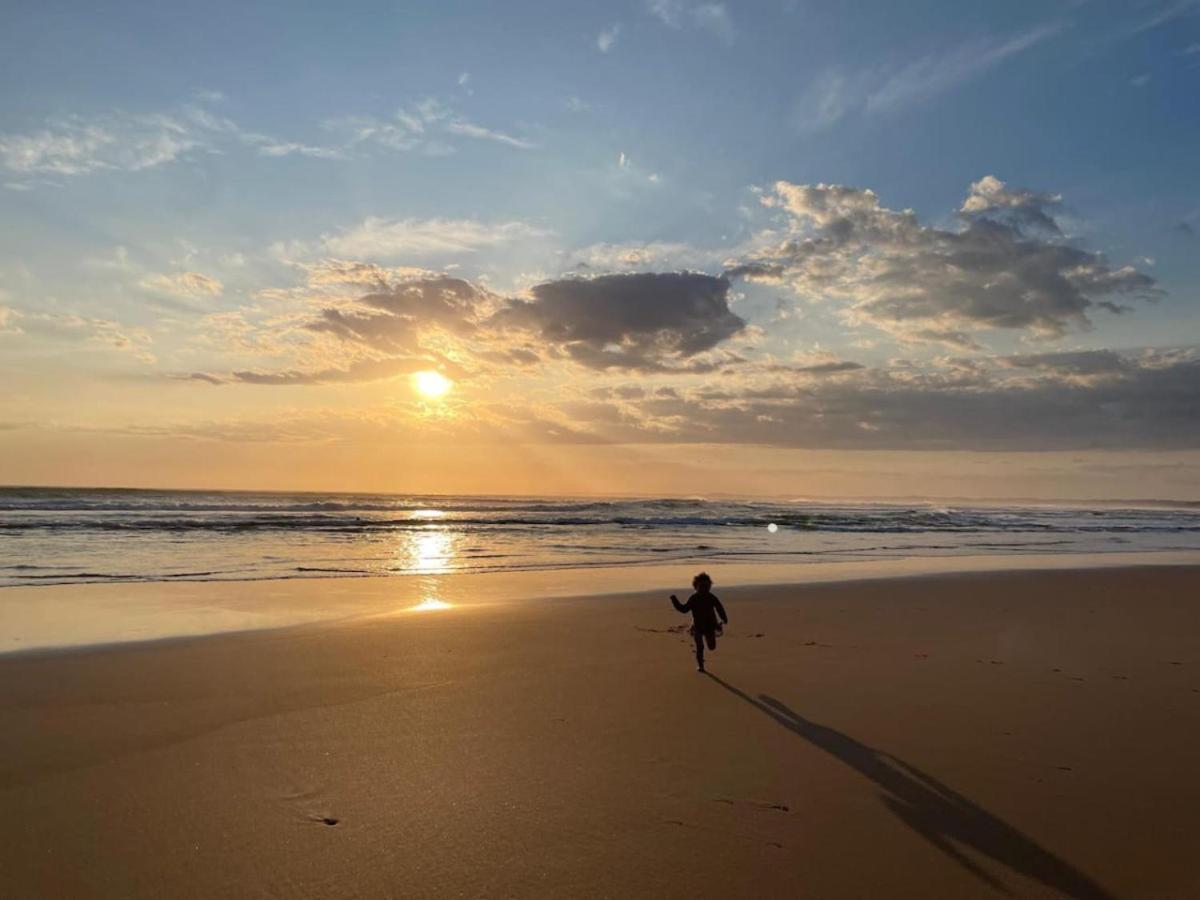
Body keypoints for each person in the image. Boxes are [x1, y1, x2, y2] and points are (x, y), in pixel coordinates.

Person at [671, 572, 728, 672]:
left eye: (707, 586)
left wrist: (724, 618)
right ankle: (701, 666)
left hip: (710, 625)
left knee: (711, 646)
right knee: (700, 646)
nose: (704, 589)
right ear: (696, 587)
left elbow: (719, 608)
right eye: (701, 586)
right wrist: (674, 601)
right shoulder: (694, 598)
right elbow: (684, 609)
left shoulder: (711, 597)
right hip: (697, 626)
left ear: (710, 586)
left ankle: (714, 633)